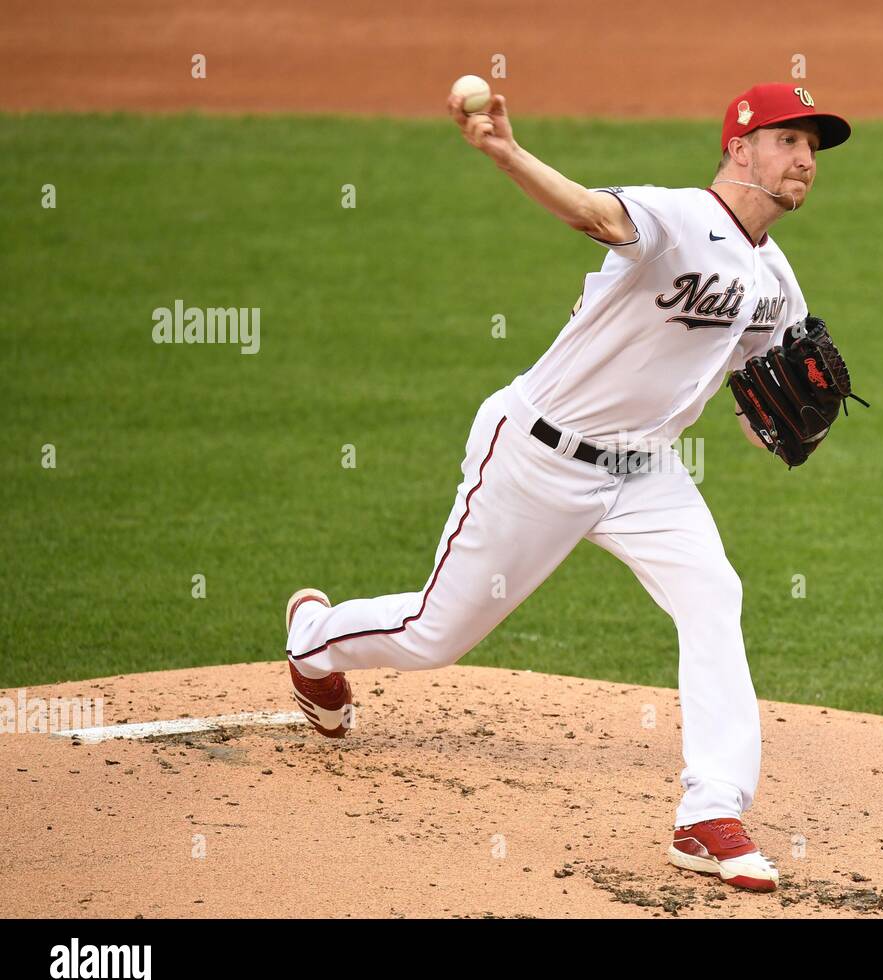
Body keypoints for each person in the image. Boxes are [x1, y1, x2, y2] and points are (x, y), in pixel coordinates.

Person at [284, 82, 851, 893]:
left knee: (712, 593)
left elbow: (762, 397)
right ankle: (314, 641)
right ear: (740, 148)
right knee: (435, 636)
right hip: (537, 457)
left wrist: (790, 425)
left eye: (813, 150)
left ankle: (708, 810)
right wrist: (506, 152)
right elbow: (591, 212)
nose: (805, 161)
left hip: (647, 470)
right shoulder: (678, 217)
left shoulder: (775, 279)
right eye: (789, 142)